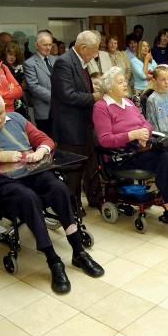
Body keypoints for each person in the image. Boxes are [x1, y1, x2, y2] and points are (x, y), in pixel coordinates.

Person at [0, 92, 104, 294]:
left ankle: (79, 252)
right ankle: (53, 261)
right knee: (29, 198)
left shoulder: (16, 118)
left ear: (4, 108)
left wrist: (41, 152)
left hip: (31, 169)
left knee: (59, 188)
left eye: (0, 113)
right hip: (2, 179)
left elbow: (45, 139)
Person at [93, 67, 168, 223]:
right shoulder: (101, 107)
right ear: (109, 87)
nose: (125, 84)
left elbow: (146, 123)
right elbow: (104, 140)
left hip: (141, 146)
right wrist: (132, 135)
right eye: (120, 82)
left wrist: (144, 132)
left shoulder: (128, 102)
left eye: (125, 81)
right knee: (162, 157)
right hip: (122, 155)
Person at [50, 31, 103, 209]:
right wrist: (94, 97)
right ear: (83, 48)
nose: (96, 55)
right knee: (73, 171)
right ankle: (72, 208)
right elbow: (67, 95)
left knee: (91, 165)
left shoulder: (83, 62)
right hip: (69, 127)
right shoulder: (64, 62)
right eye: (94, 51)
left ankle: (96, 200)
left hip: (85, 125)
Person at [23, 31, 55, 135]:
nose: (48, 48)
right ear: (37, 45)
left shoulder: (56, 60)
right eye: (45, 45)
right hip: (44, 111)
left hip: (61, 111)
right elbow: (33, 86)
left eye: (50, 45)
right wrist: (55, 98)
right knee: (48, 142)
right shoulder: (29, 63)